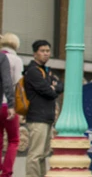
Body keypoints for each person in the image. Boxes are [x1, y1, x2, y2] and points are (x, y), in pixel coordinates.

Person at [23, 40, 62, 177]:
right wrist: (52, 87)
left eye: (48, 51)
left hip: (47, 117)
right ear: (35, 54)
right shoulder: (33, 71)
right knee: (36, 154)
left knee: (43, 154)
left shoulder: (47, 71)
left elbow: (60, 86)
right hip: (37, 117)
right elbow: (49, 92)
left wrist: (54, 87)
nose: (46, 54)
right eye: (42, 51)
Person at [0, 34, 20, 177]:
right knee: (14, 140)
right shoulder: (15, 59)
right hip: (8, 103)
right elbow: (16, 83)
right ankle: (6, 173)